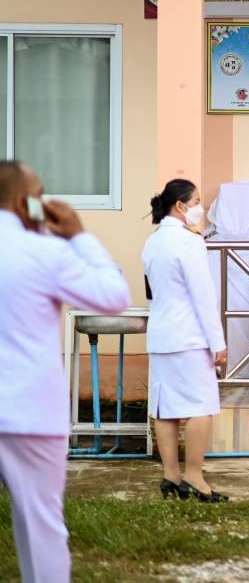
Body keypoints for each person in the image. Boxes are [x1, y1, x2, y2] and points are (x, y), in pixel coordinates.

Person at [0, 160, 130, 582]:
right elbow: (113, 296)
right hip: (29, 412)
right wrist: (78, 236)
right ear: (26, 203)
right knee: (41, 529)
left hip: (27, 412)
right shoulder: (46, 252)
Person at [142, 179, 229, 502]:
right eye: (196, 201)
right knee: (202, 405)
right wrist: (217, 341)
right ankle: (194, 475)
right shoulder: (189, 243)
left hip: (162, 333)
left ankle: (171, 476)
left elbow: (152, 292)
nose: (199, 208)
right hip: (189, 335)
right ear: (180, 206)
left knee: (166, 408)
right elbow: (203, 296)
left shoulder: (152, 242)